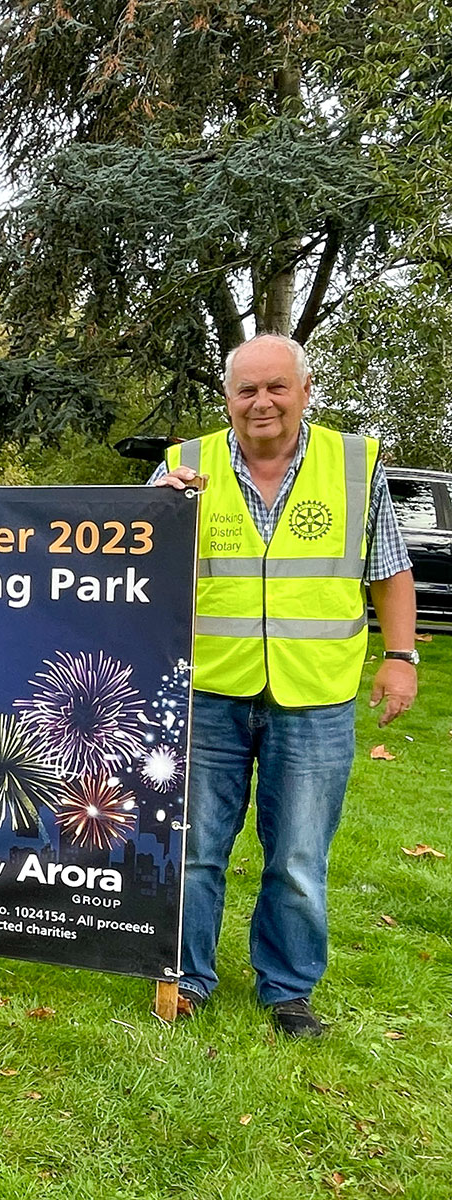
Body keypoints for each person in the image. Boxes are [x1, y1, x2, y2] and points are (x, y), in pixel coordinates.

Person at [153, 334, 417, 1038]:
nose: (261, 402)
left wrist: (401, 657)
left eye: (276, 387)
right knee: (194, 848)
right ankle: (184, 978)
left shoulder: (354, 465)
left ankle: (288, 991)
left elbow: (390, 570)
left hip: (315, 697)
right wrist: (156, 512)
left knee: (299, 855)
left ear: (304, 391)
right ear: (228, 398)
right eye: (247, 389)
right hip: (208, 691)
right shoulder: (182, 467)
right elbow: (131, 562)